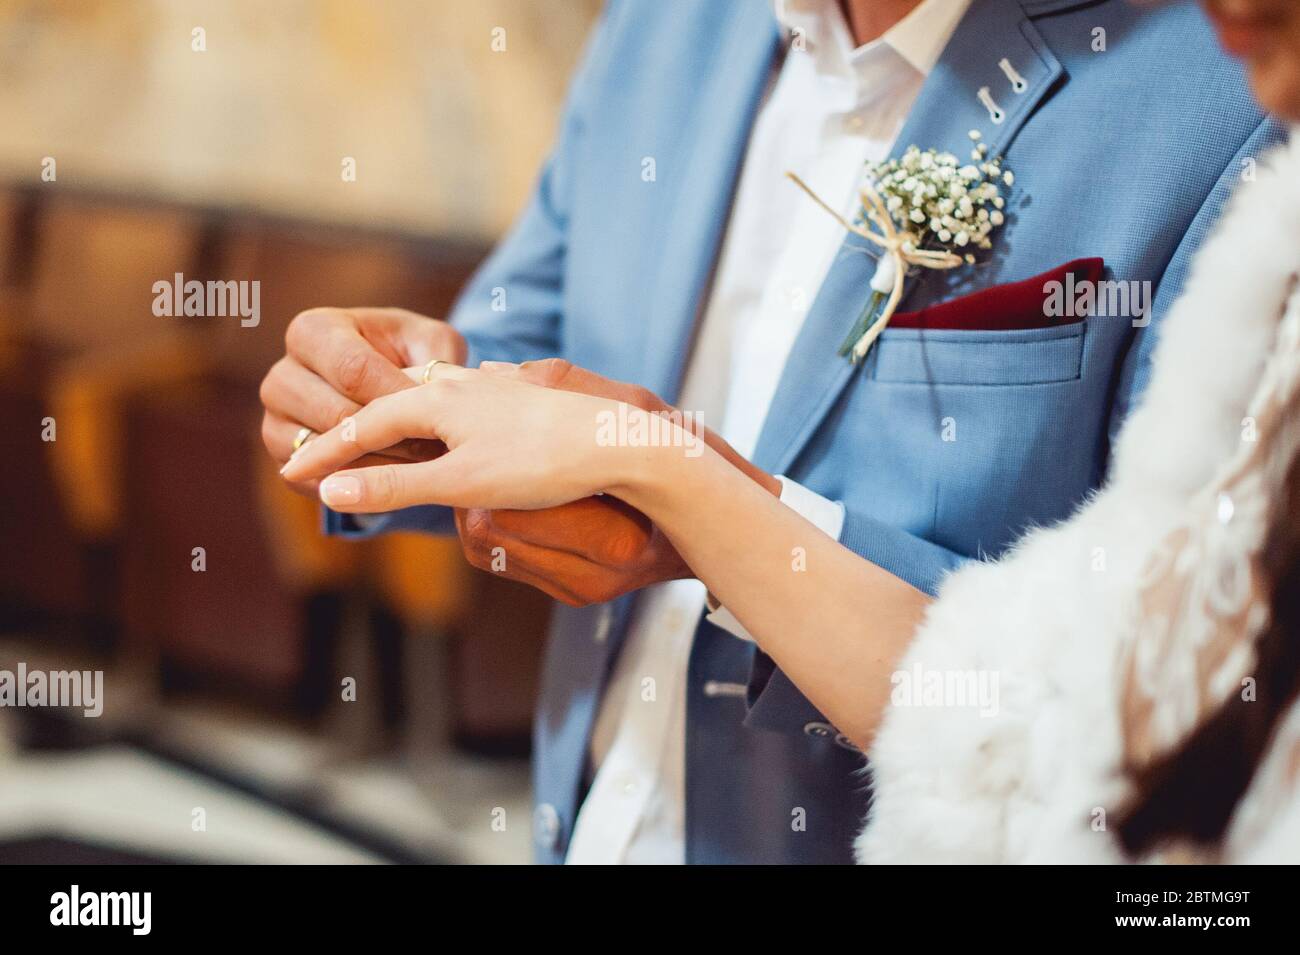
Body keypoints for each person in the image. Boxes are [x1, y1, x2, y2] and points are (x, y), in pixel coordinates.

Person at [262, 0, 1280, 863]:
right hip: (588, 816)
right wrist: (385, 399)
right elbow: (523, 344)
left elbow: (1151, 687)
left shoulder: (1237, 88)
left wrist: (695, 497)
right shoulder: (662, 23)